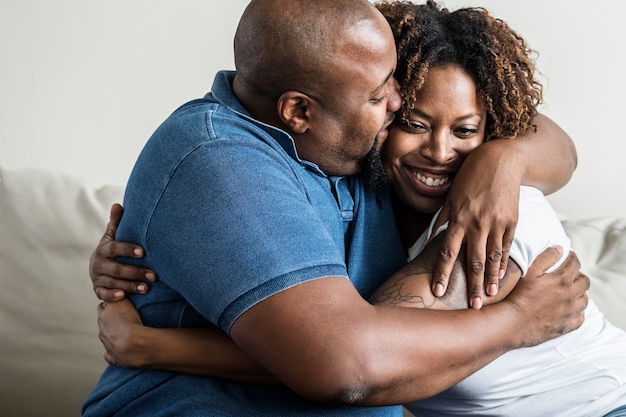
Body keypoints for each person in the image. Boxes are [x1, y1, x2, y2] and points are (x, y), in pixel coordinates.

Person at [83, 1, 588, 416]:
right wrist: (520, 322)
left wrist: (504, 158)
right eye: (381, 94)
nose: (396, 100)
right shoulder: (220, 158)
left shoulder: (354, 152)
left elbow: (539, 133)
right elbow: (346, 365)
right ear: (299, 110)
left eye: (396, 82)